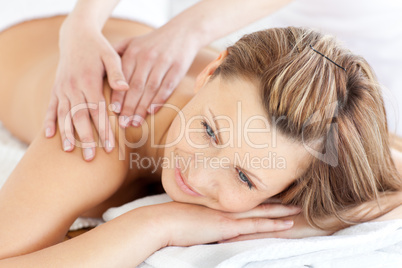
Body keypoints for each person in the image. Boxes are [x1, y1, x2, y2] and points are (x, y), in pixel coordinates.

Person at [0, 16, 401, 266]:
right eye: (209, 131)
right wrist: (155, 224)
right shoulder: (96, 135)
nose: (198, 173)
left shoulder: (313, 131)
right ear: (209, 74)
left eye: (245, 178)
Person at [44, 0, 293, 160]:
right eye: (208, 131)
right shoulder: (112, 117)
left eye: (244, 178)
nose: (199, 178)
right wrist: (79, 27)